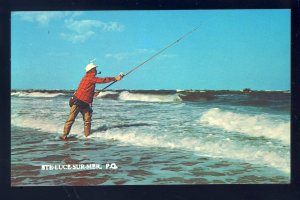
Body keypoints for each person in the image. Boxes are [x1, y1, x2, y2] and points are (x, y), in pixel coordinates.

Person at [61, 63, 123, 140]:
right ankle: (64, 135)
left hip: (85, 103)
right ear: (92, 70)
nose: (96, 70)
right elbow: (102, 80)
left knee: (87, 121)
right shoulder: (89, 77)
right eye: (95, 69)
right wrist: (115, 78)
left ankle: (87, 137)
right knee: (71, 119)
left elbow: (86, 89)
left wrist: (93, 93)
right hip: (78, 102)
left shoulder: (88, 78)